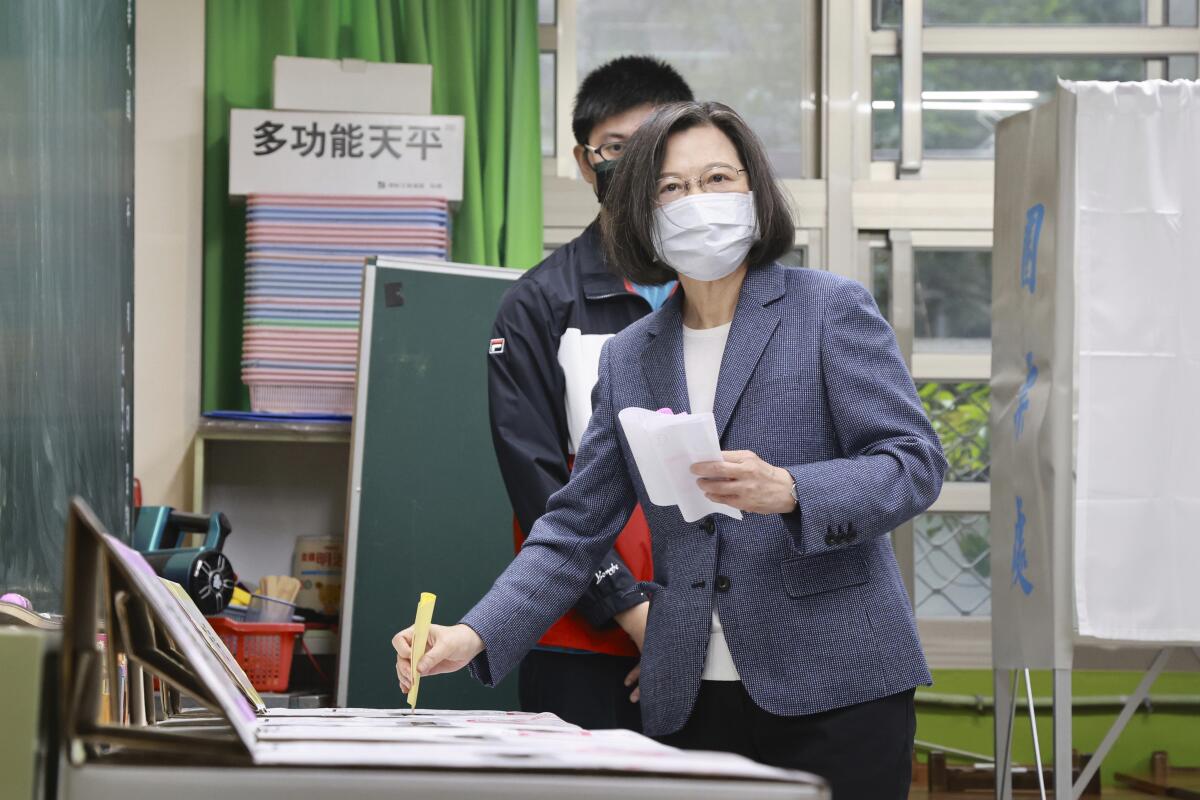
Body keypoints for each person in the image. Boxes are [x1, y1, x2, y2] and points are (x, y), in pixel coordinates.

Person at [395, 101, 947, 798]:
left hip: (835, 686)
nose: (699, 202)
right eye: (672, 188)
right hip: (687, 693)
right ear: (643, 214)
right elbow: (571, 528)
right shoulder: (632, 356)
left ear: (755, 192)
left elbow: (913, 463)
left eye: (719, 178)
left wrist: (794, 490)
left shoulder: (828, 310)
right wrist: (471, 636)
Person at [485, 56, 692, 732]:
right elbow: (539, 480)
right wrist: (635, 614)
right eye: (614, 149)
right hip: (583, 638)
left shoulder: (738, 293)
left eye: (655, 145)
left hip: (723, 635)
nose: (634, 167)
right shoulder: (538, 305)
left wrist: (694, 624)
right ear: (583, 162)